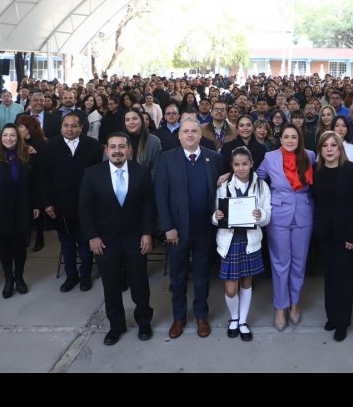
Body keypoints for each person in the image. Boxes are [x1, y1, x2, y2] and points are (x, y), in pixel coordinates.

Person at [78, 131, 155, 345]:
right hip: (105, 241)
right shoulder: (92, 173)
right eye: (113, 147)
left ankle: (144, 322)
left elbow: (148, 204)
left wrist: (147, 233)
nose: (117, 151)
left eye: (122, 146)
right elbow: (85, 208)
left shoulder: (141, 172)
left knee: (140, 285)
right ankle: (116, 325)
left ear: (129, 150)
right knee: (111, 286)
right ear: (106, 150)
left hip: (135, 239)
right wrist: (92, 236)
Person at [155, 116, 222, 339]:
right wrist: (168, 227)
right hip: (177, 231)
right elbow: (161, 196)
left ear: (201, 135)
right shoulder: (166, 159)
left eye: (194, 131)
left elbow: (220, 191)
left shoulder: (214, 158)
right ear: (179, 135)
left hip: (205, 228)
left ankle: (202, 315)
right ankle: (179, 317)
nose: (190, 135)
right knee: (178, 276)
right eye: (186, 131)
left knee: (202, 276)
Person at [255, 122, 316, 332]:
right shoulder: (270, 157)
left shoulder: (310, 156)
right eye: (286, 137)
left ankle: (294, 303)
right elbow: (256, 179)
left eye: (294, 137)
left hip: (304, 214)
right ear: (280, 139)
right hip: (279, 215)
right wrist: (230, 176)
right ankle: (280, 306)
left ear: (299, 139)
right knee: (281, 263)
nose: (290, 140)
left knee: (299, 263)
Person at [213, 146, 271, 342]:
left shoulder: (261, 186)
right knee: (231, 288)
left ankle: (243, 321)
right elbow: (215, 214)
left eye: (244, 164)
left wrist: (260, 214)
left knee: (246, 282)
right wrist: (216, 216)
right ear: (231, 165)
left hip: (250, 242)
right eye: (236, 164)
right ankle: (234, 317)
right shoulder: (223, 186)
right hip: (229, 243)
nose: (241, 168)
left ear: (251, 164)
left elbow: (268, 216)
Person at [312, 132, 353, 342]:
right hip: (325, 233)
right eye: (325, 146)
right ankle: (332, 316)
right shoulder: (316, 171)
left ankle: (343, 322)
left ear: (340, 148)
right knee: (330, 276)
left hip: (346, 234)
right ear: (320, 150)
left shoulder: (352, 170)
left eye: (333, 145)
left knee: (344, 278)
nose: (329, 149)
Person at [42, 111, 104, 292]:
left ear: (81, 127)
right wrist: (47, 203)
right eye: (66, 126)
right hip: (60, 205)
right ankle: (71, 275)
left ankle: (85, 275)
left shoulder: (92, 146)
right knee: (67, 243)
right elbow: (44, 177)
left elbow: (98, 175)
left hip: (86, 204)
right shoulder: (51, 145)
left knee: (85, 243)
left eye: (73, 126)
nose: (69, 129)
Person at [0, 124, 39, 298]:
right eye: (5, 135)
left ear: (18, 138)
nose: (9, 139)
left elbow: (34, 184)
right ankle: (8, 280)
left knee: (20, 246)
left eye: (12, 135)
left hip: (22, 207)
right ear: (1, 137)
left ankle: (19, 277)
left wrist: (36, 205)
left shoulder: (27, 155)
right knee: (4, 247)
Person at [15, 113, 49, 252]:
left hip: (37, 182)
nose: (18, 129)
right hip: (23, 182)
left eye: (20, 126)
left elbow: (42, 167)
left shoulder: (41, 144)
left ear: (28, 128)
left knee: (38, 212)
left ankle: (40, 238)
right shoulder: (18, 144)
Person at [123, 107, 162, 178]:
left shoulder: (154, 141)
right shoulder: (117, 140)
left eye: (135, 118)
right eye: (127, 120)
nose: (131, 122)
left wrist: (147, 182)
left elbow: (156, 168)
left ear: (141, 120)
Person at [329, 115, 353, 179]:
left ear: (347, 129)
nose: (340, 129)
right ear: (332, 128)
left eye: (344, 126)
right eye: (337, 126)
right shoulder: (326, 147)